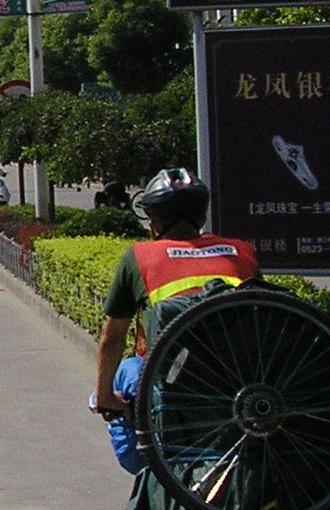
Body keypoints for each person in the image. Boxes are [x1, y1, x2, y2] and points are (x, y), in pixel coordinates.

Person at [90, 168, 260, 419]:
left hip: (175, 385)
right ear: (202, 218)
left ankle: (145, 457)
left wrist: (106, 399)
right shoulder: (243, 252)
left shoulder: (139, 257)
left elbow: (112, 339)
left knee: (129, 370)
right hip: (248, 384)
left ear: (153, 223)